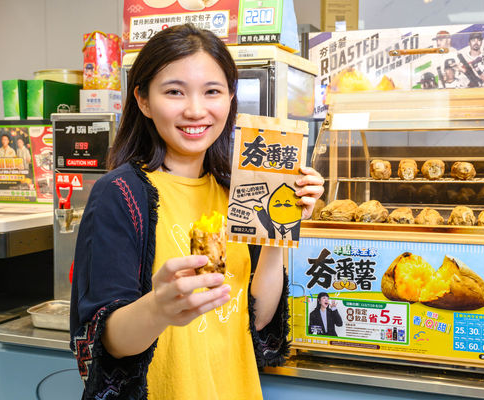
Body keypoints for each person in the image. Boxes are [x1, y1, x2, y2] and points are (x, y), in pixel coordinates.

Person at [69, 24, 325, 400]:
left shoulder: (239, 192)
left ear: (230, 98)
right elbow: (111, 343)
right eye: (174, 92)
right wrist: (159, 307)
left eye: (212, 92)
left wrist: (281, 227)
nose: (195, 110)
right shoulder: (120, 194)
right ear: (142, 100)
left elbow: (256, 318)